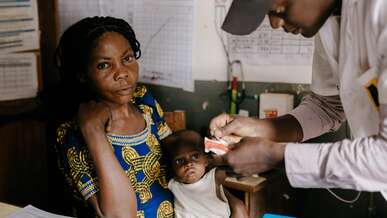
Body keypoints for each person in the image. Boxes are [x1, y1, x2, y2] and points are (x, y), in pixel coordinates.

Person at [210, 0, 387, 198]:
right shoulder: (328, 22)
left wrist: (277, 157)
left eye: (277, 10)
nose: (275, 24)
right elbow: (328, 106)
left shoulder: (380, 11)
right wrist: (257, 128)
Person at [54, 16, 174, 218]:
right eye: (104, 65)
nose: (122, 73)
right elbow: (120, 215)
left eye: (127, 59)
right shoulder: (71, 136)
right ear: (82, 74)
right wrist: (93, 132)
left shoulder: (144, 100)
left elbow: (177, 154)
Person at [163, 130, 248, 218]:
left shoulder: (214, 177)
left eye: (195, 156)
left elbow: (234, 162)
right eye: (180, 161)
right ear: (172, 166)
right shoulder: (173, 184)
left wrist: (215, 143)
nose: (188, 163)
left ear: (207, 160)